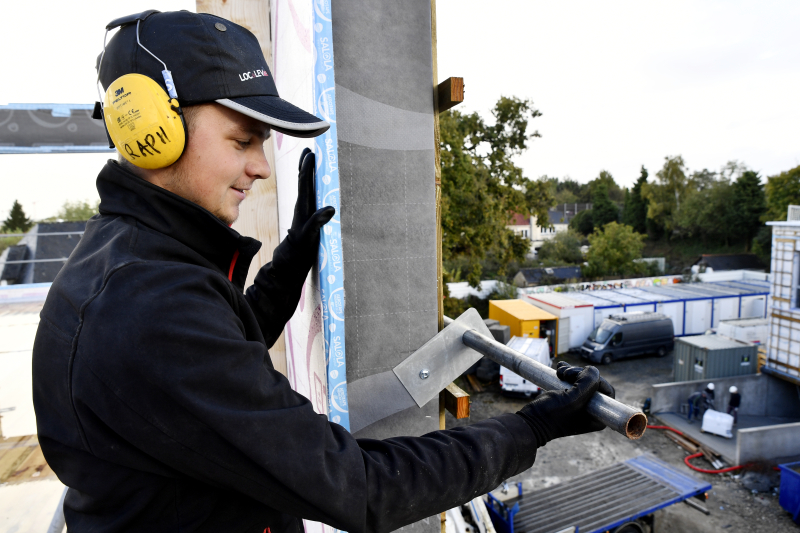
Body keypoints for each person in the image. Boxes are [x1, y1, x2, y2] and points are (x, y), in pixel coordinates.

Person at [31, 10, 615, 533]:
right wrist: (532, 428)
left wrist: (291, 260)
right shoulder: (152, 304)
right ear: (152, 130)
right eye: (243, 140)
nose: (260, 166)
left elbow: (217, 360)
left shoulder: (129, 259)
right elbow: (360, 488)